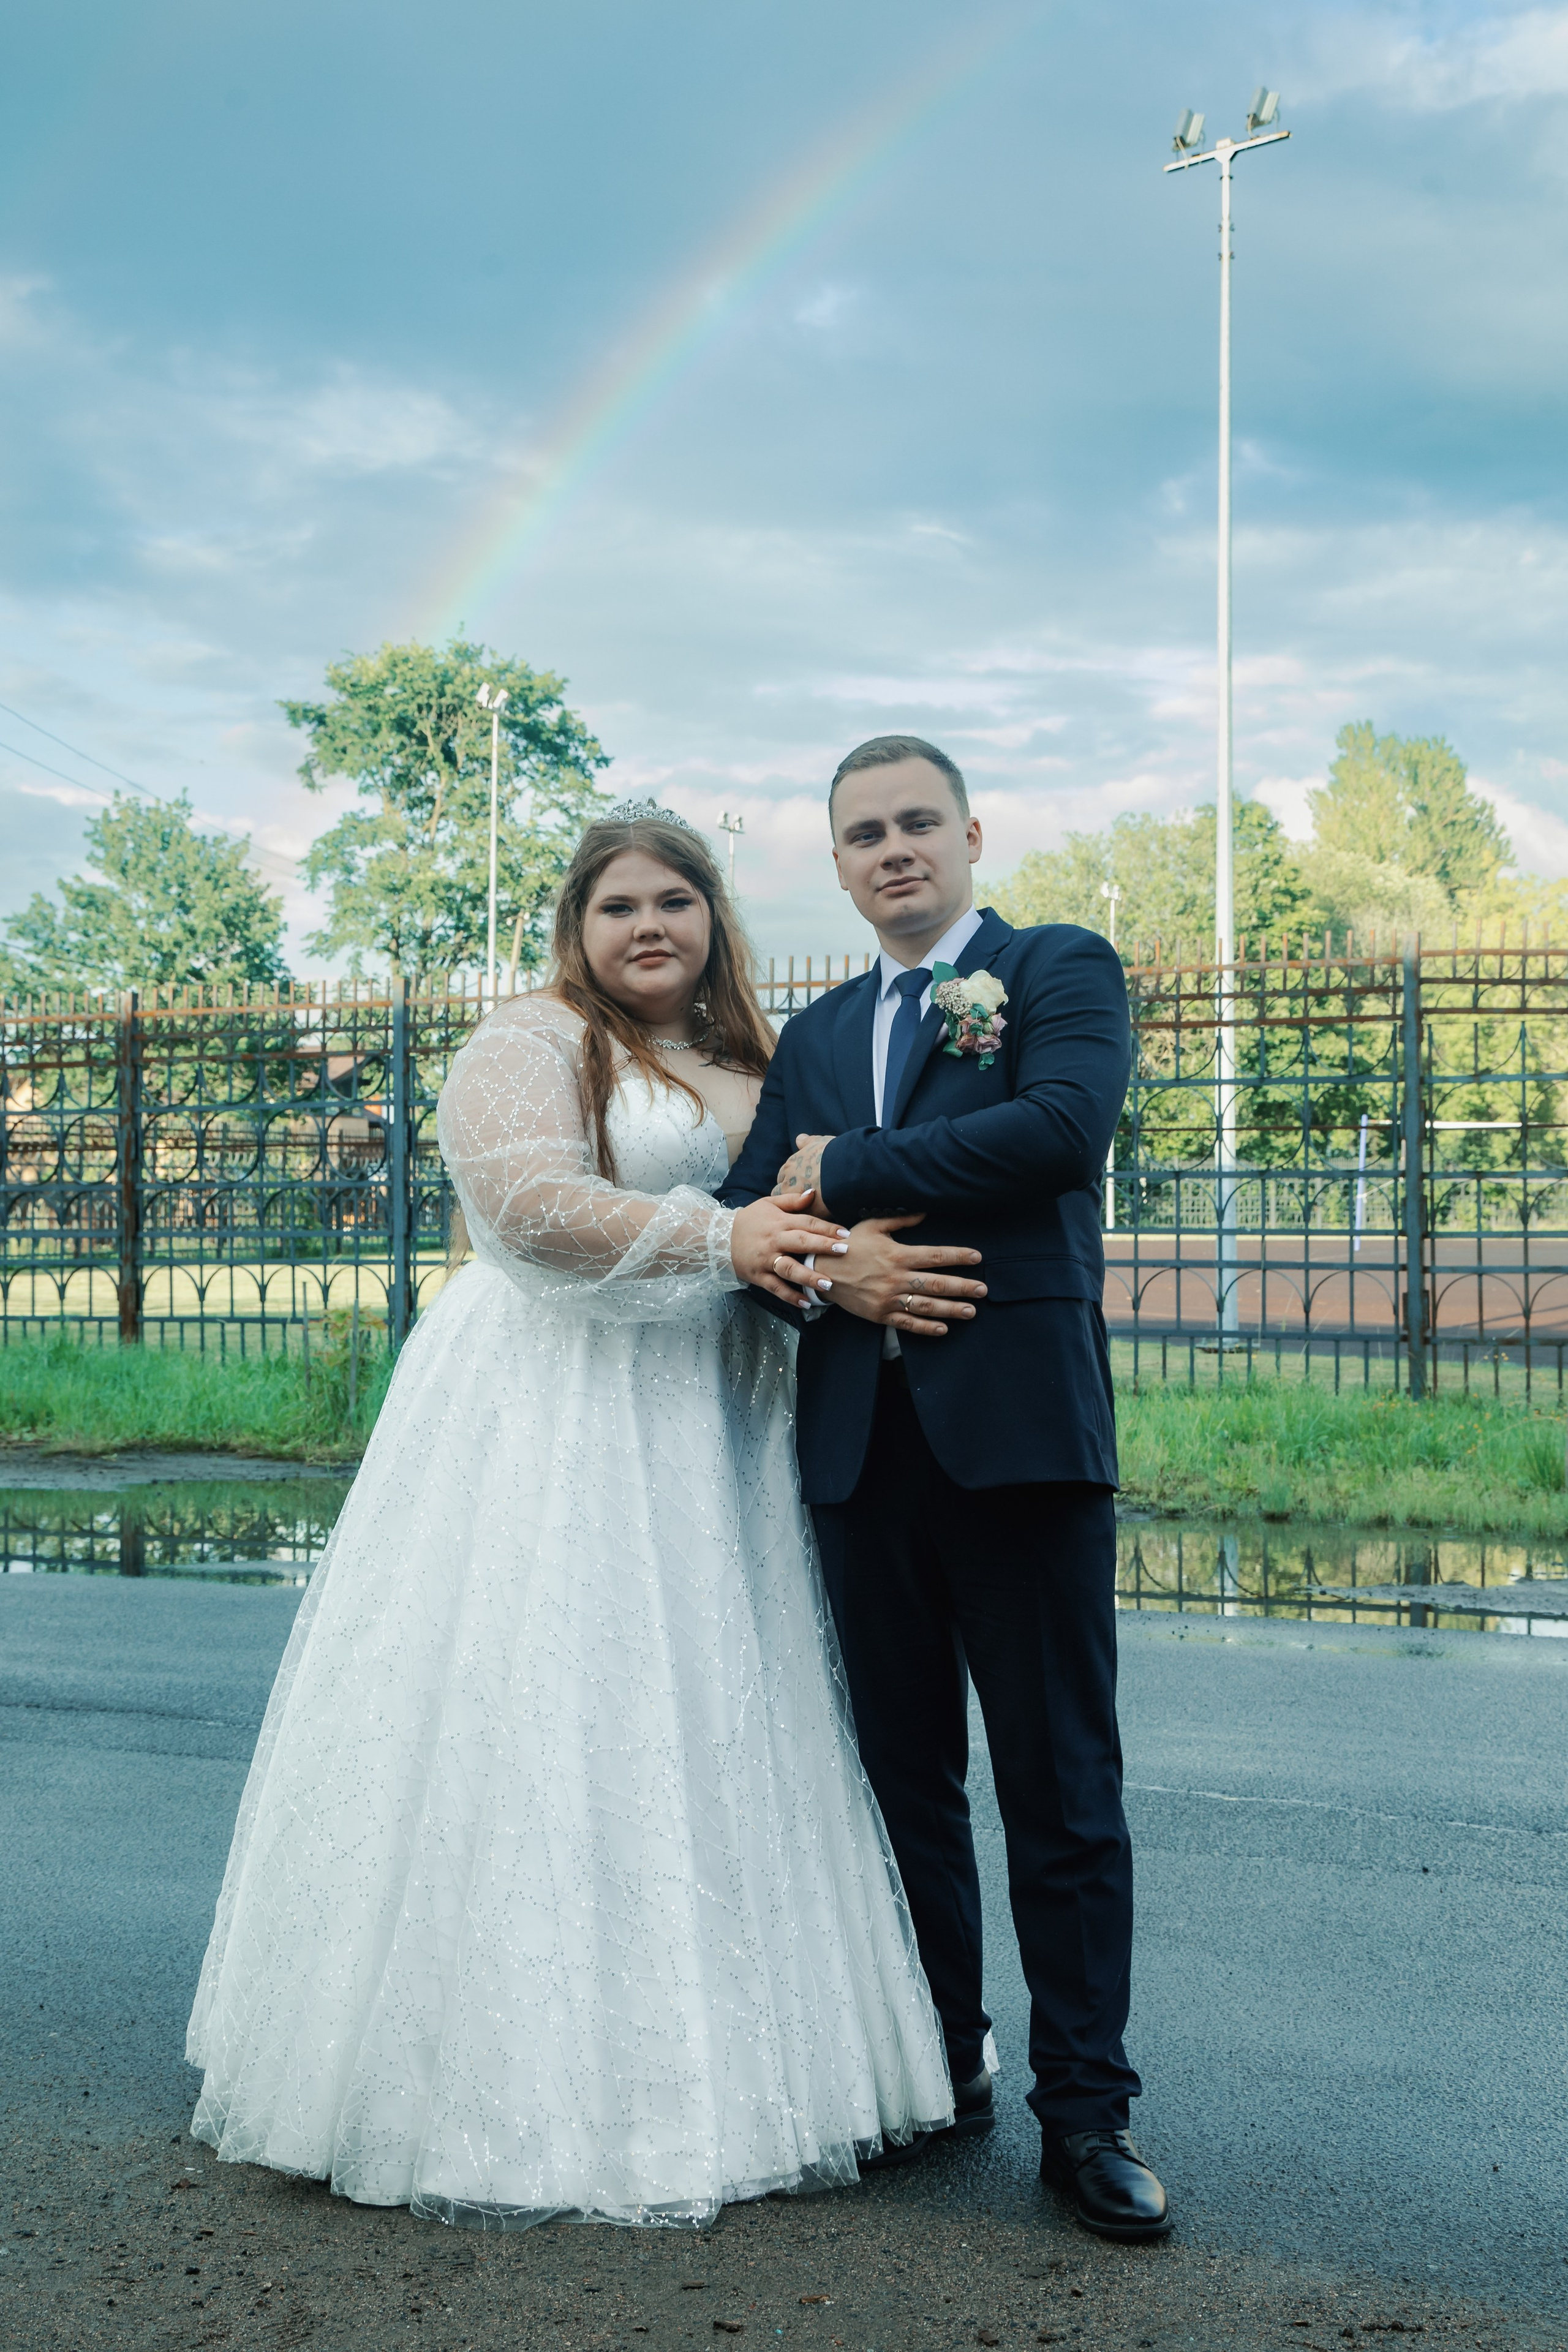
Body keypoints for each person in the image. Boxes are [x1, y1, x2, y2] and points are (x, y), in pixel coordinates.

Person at [186, 801, 954, 2228]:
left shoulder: (752, 1062)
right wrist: (724, 1237)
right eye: (618, 906)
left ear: (713, 916)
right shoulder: (530, 1040)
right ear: (576, 928)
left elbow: (810, 1205)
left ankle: (744, 2068)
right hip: (552, 1406)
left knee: (718, 1714)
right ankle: (486, 2075)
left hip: (713, 1419)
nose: (648, 926)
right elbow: (526, 1205)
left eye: (674, 899)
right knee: (543, 1702)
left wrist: (825, 1254)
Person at [723, 734, 1171, 2241]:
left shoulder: (1056, 967)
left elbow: (1056, 1132)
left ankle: (1086, 2118)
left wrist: (842, 1175)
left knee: (1059, 1787)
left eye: (918, 822)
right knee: (901, 1781)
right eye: (863, 834)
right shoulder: (817, 1027)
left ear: (970, 834)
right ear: (838, 865)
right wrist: (830, 1278)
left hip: (1020, 1441)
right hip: (855, 1456)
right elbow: (744, 1229)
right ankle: (940, 2071)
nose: (893, 849)